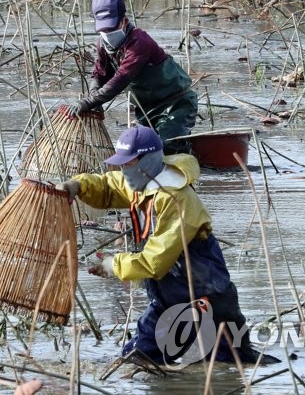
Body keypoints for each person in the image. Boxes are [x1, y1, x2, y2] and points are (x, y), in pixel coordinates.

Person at [58, 126, 274, 367]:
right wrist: (77, 185)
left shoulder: (176, 200)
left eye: (128, 163)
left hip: (207, 303)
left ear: (148, 161)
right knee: (137, 358)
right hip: (168, 303)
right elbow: (110, 186)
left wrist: (114, 264)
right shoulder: (143, 182)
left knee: (231, 366)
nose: (123, 170)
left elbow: (155, 261)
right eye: (121, 164)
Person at [70, 0, 198, 155]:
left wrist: (87, 102)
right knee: (143, 150)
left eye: (112, 28)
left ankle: (188, 160)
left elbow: (120, 80)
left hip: (176, 103)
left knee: (165, 146)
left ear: (124, 21)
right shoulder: (103, 44)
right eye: (104, 29)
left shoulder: (139, 42)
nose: (108, 34)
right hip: (146, 110)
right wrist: (94, 94)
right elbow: (99, 74)